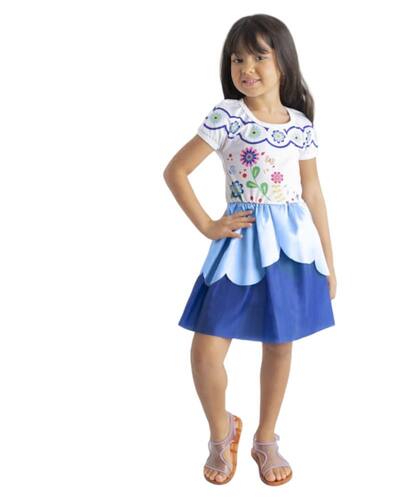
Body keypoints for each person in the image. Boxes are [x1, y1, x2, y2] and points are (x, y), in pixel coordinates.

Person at [163, 13, 337, 486]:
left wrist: (329, 261)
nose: (247, 68)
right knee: (206, 350)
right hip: (240, 246)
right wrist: (207, 225)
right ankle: (222, 432)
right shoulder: (226, 116)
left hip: (291, 250)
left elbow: (313, 192)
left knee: (279, 344)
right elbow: (176, 171)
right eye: (237, 59)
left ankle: (265, 437)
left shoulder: (299, 125)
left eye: (259, 57)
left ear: (283, 61)